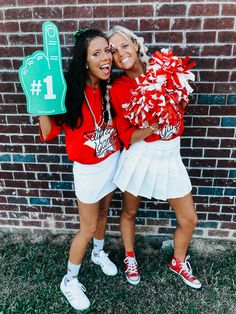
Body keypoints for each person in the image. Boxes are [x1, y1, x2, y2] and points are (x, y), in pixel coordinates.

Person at [106, 26, 201, 289]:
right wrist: (156, 125)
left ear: (135, 45)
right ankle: (129, 256)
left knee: (189, 219)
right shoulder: (119, 88)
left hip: (170, 155)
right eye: (113, 51)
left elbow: (182, 106)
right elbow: (126, 135)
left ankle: (178, 261)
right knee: (130, 211)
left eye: (124, 45)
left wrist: (178, 100)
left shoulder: (164, 69)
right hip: (141, 156)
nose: (120, 53)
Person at [39, 29, 121, 310]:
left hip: (112, 161)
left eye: (107, 51)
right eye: (96, 53)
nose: (106, 57)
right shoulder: (70, 93)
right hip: (87, 170)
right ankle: (69, 279)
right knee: (86, 228)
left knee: (104, 213)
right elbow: (49, 134)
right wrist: (41, 106)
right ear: (84, 61)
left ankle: (98, 254)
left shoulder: (111, 87)